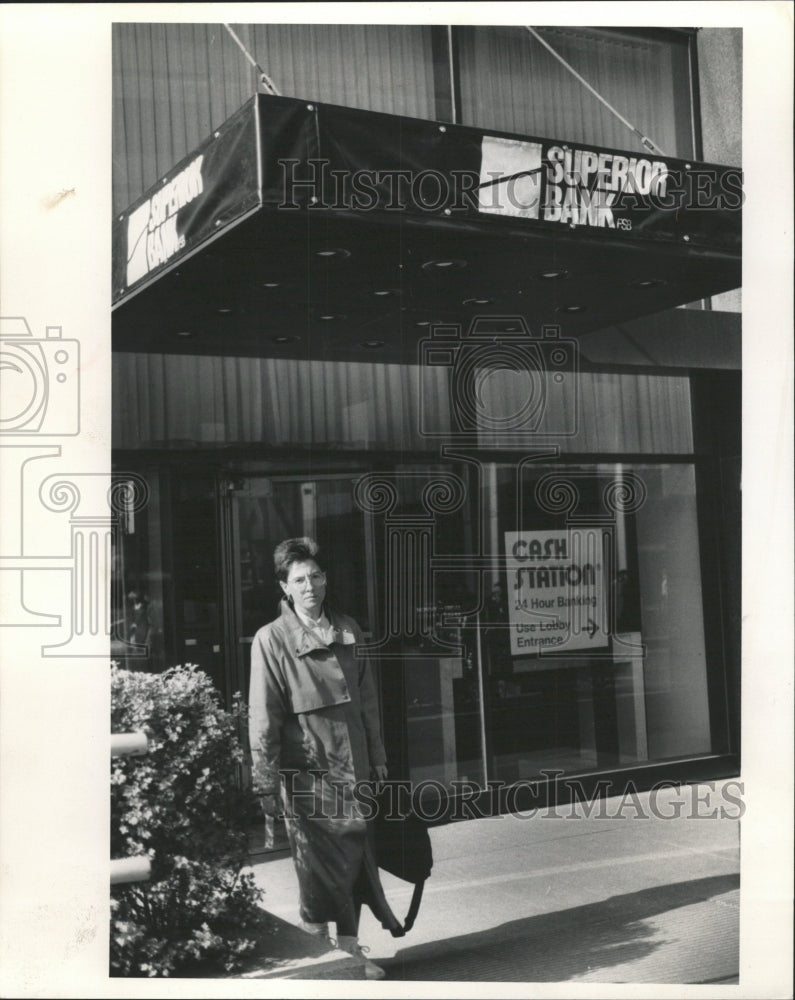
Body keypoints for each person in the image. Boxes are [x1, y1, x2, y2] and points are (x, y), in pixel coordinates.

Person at [248, 536, 400, 980]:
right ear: (285, 588)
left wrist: (378, 755)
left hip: (354, 768)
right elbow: (264, 715)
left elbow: (368, 700)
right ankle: (318, 949)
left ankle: (351, 951)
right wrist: (264, 781)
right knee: (318, 869)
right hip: (306, 775)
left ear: (326, 578)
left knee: (356, 861)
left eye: (316, 576)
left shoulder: (348, 628)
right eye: (299, 579)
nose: (310, 586)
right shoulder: (270, 640)